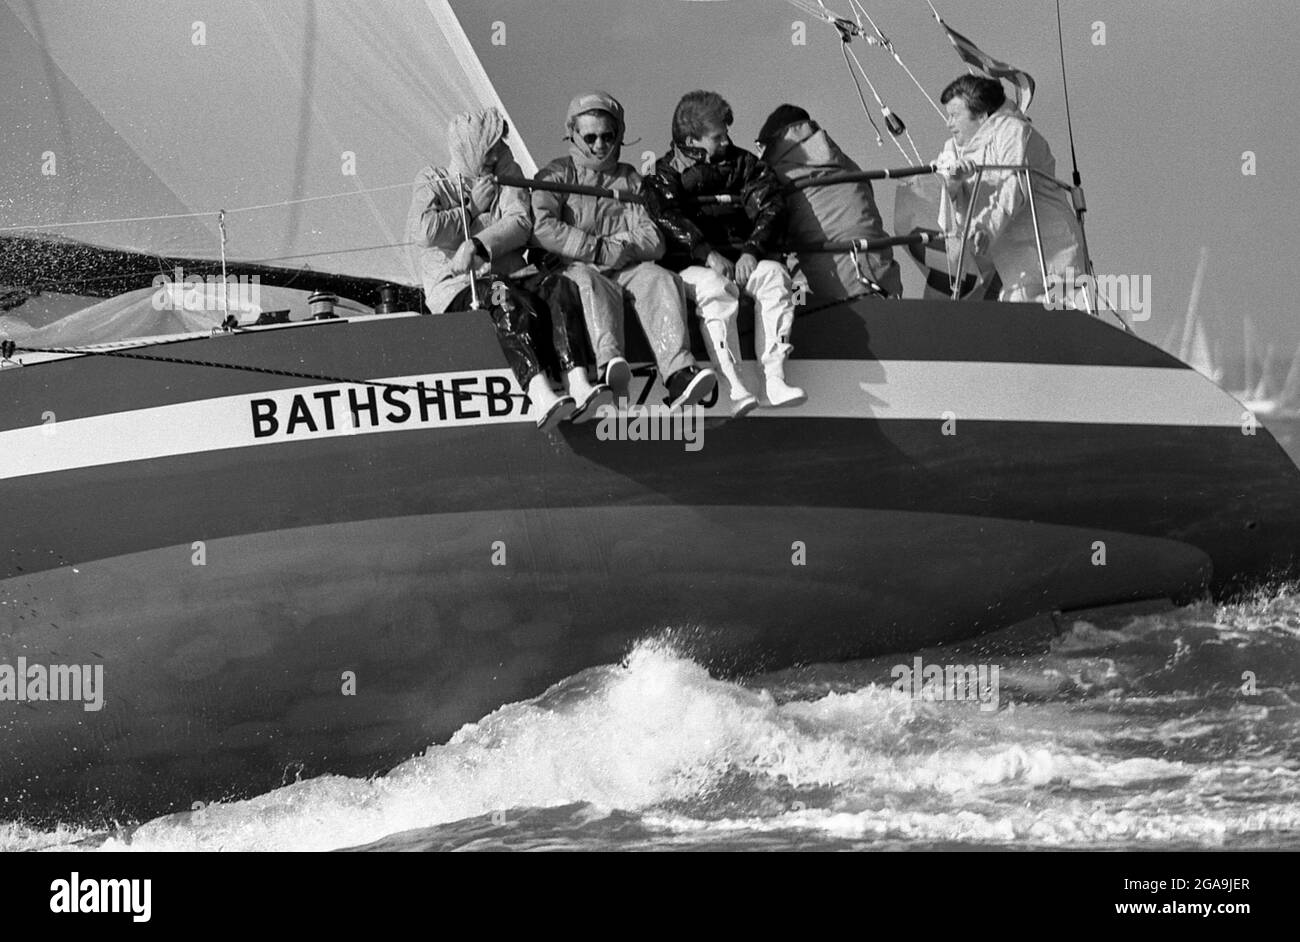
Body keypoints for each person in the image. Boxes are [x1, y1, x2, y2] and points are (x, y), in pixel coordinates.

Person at [407, 107, 611, 430]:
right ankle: (539, 392)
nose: (494, 155)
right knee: (507, 298)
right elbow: (425, 231)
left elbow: (518, 221)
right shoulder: (434, 180)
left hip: (514, 276)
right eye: (488, 148)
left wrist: (477, 242)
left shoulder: (504, 171)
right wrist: (471, 208)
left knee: (560, 287)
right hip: (460, 288)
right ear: (469, 146)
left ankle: (577, 379)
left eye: (497, 147)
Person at [531, 90, 716, 412]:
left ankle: (678, 374)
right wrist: (598, 249)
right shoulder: (555, 175)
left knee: (661, 278)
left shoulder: (630, 178)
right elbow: (544, 226)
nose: (600, 145)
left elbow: (653, 237)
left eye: (608, 136)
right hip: (578, 266)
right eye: (590, 137)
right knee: (590, 284)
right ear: (572, 134)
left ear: (619, 135)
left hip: (626, 265)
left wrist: (621, 248)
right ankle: (609, 367)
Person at [643, 91, 805, 414]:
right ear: (692, 139)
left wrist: (752, 250)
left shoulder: (745, 165)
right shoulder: (663, 175)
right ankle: (733, 385)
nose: (727, 142)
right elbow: (665, 217)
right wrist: (705, 253)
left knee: (775, 276)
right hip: (688, 265)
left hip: (742, 258)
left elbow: (771, 205)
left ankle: (773, 379)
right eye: (718, 137)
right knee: (716, 290)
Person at [934, 75, 1085, 303]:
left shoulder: (1013, 130)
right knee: (1019, 318)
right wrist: (954, 181)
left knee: (1063, 317)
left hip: (1051, 248)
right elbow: (947, 208)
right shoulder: (953, 150)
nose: (949, 124)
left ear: (982, 115)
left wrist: (986, 227)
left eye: (954, 116)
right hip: (1012, 259)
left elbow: (1014, 185)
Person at [756, 104, 903, 302]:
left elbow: (770, 229)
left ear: (772, 142)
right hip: (883, 279)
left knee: (782, 273)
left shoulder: (778, 176)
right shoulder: (847, 164)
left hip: (828, 294)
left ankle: (796, 321)